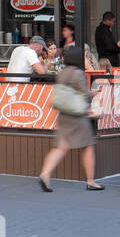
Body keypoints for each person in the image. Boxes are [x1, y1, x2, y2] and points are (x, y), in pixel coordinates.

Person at [38, 45, 104, 191]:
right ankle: (91, 181)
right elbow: (83, 95)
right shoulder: (78, 74)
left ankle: (45, 174)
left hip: (63, 114)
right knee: (88, 146)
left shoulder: (62, 73)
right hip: (77, 115)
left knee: (60, 147)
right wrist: (93, 93)